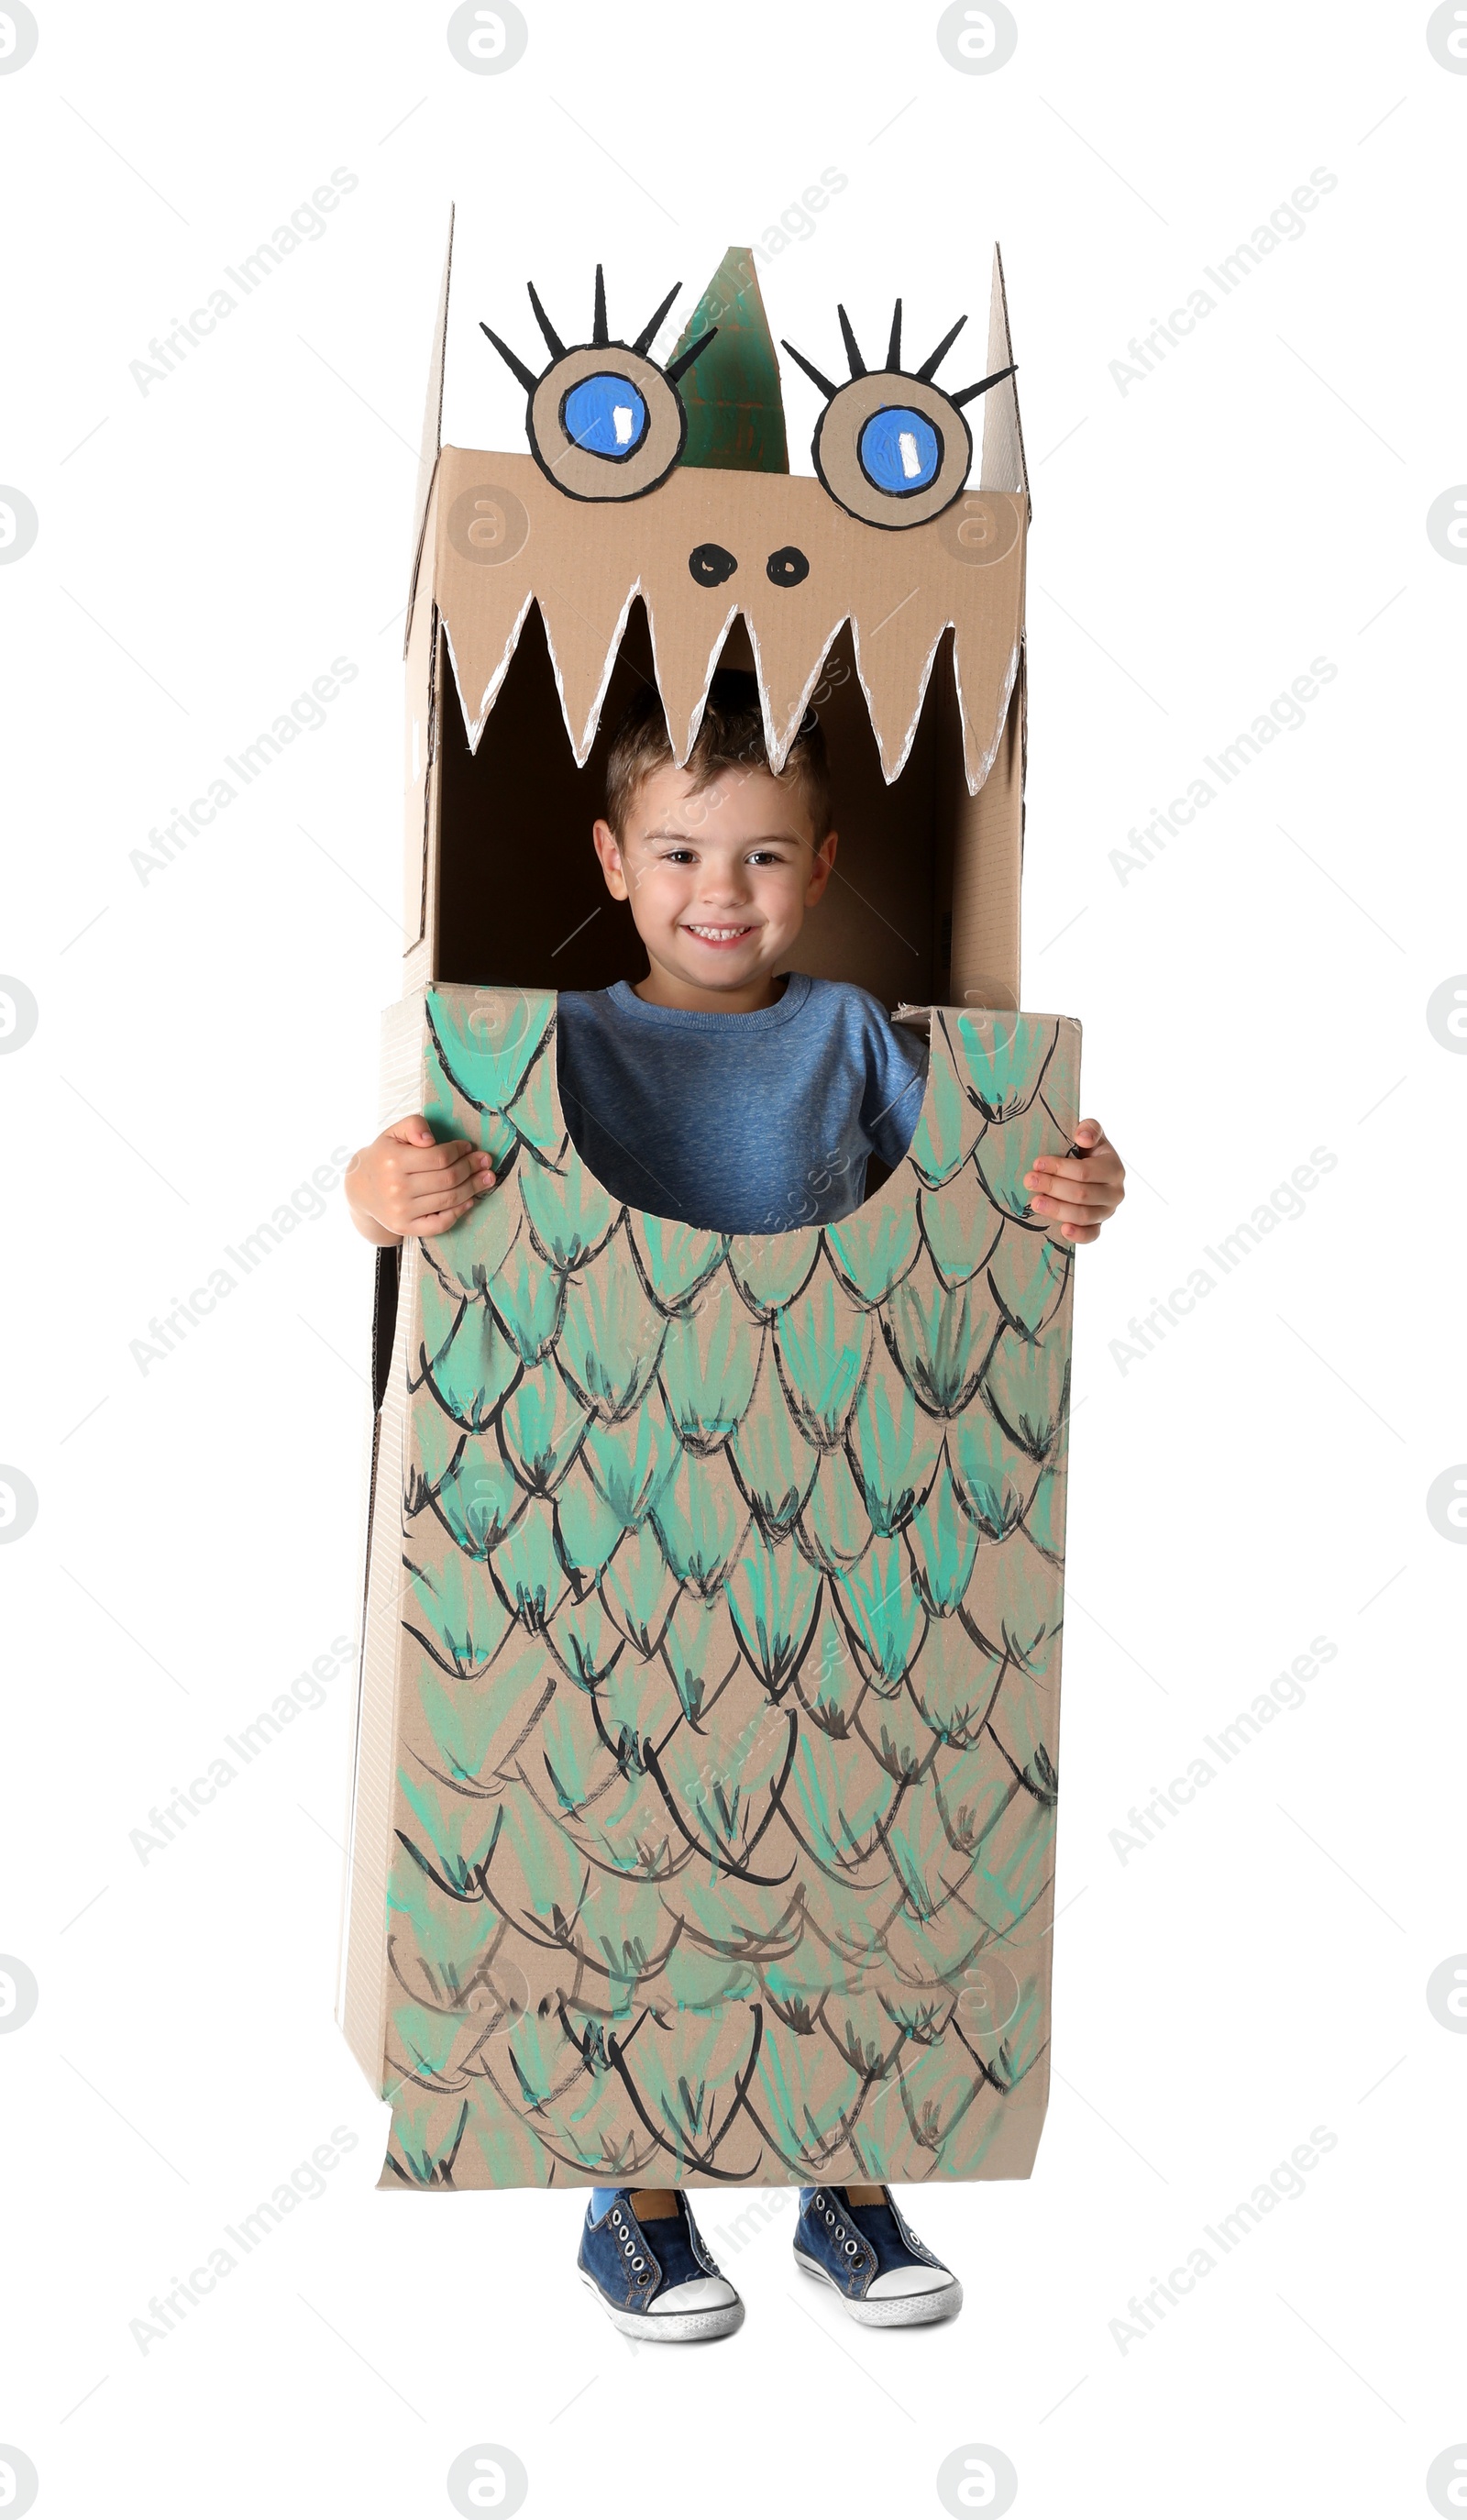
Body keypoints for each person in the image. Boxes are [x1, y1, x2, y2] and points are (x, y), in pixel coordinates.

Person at [345, 669, 1126, 2341]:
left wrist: (1075, 1181)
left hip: (837, 1500)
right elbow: (409, 1178)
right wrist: (375, 1187)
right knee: (628, 1820)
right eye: (684, 853)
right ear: (614, 860)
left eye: (766, 858)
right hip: (609, 1491)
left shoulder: (853, 1038)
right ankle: (637, 2198)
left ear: (829, 863)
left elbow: (980, 1192)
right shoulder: (550, 1045)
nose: (724, 892)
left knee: (845, 1796)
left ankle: (850, 2182)